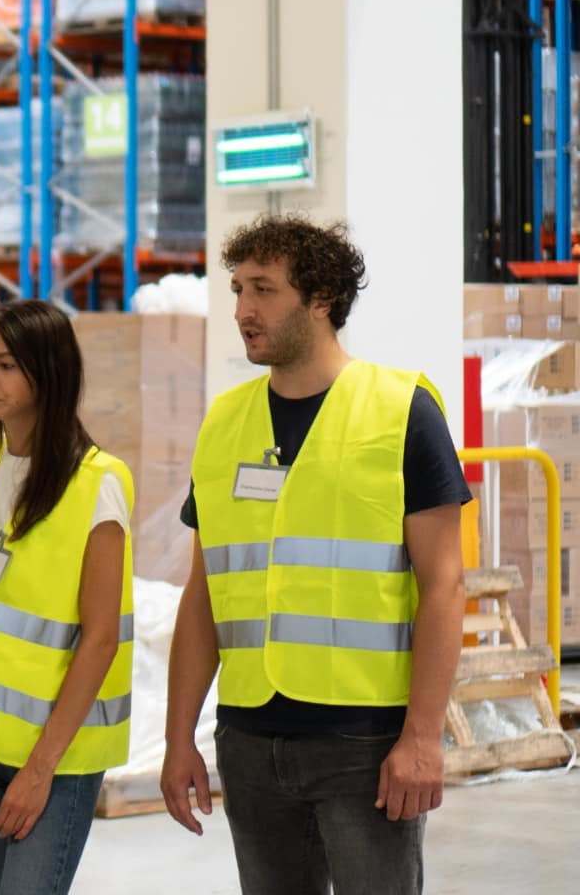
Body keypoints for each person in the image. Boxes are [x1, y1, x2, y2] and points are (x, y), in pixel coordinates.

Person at [160, 215, 468, 895]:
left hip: (363, 745)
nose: (242, 310)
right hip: (248, 741)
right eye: (238, 289)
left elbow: (444, 586)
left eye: (263, 290)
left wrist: (422, 738)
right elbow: (203, 594)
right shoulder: (224, 423)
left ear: (321, 299)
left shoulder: (402, 411)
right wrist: (179, 736)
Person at [0, 299, 134, 895]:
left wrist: (40, 768)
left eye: (6, 365)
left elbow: (101, 638)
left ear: (47, 373)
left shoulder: (98, 483)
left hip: (56, 755)